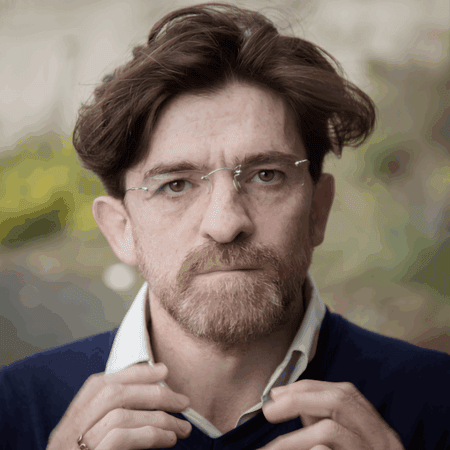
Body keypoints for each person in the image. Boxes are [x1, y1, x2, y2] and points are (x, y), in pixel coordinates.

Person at [1, 3, 449, 449]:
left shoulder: (439, 399)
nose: (225, 223)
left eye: (266, 175)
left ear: (318, 209)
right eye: (175, 185)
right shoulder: (11, 409)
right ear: (121, 229)